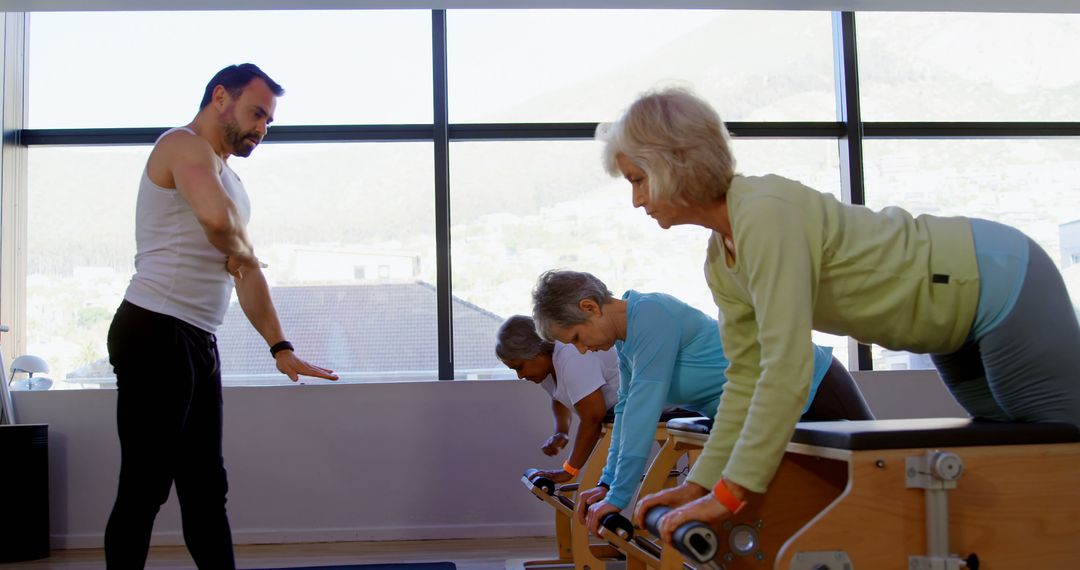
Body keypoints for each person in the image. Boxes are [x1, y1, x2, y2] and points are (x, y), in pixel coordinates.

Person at [594, 87, 1080, 545]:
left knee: (1063, 457)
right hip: (950, 331)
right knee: (1021, 466)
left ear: (675, 164)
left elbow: (786, 369)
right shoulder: (722, 262)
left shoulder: (765, 213)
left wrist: (732, 493)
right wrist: (701, 483)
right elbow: (743, 378)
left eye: (638, 180)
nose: (636, 199)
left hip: (998, 280)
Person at [104, 63, 339, 569]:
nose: (261, 128)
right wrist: (245, 255)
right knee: (145, 488)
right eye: (256, 113)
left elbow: (244, 272)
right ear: (219, 98)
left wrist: (281, 348)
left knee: (207, 487)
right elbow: (216, 224)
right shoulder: (183, 145)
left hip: (195, 337)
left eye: (269, 121)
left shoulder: (228, 175)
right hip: (154, 328)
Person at [531, 270, 872, 538]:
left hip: (812, 380)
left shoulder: (651, 315)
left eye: (576, 338)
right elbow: (625, 411)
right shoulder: (626, 344)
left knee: (876, 484)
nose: (580, 349)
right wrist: (606, 483)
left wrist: (618, 497)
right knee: (801, 508)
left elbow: (644, 412)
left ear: (590, 308)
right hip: (770, 408)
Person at [497, 314, 621, 485]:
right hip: (615, 409)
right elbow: (560, 397)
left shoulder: (571, 357)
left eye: (520, 367)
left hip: (643, 405)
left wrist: (568, 471)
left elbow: (593, 418)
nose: (520, 376)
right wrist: (561, 432)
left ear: (538, 351)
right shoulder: (547, 369)